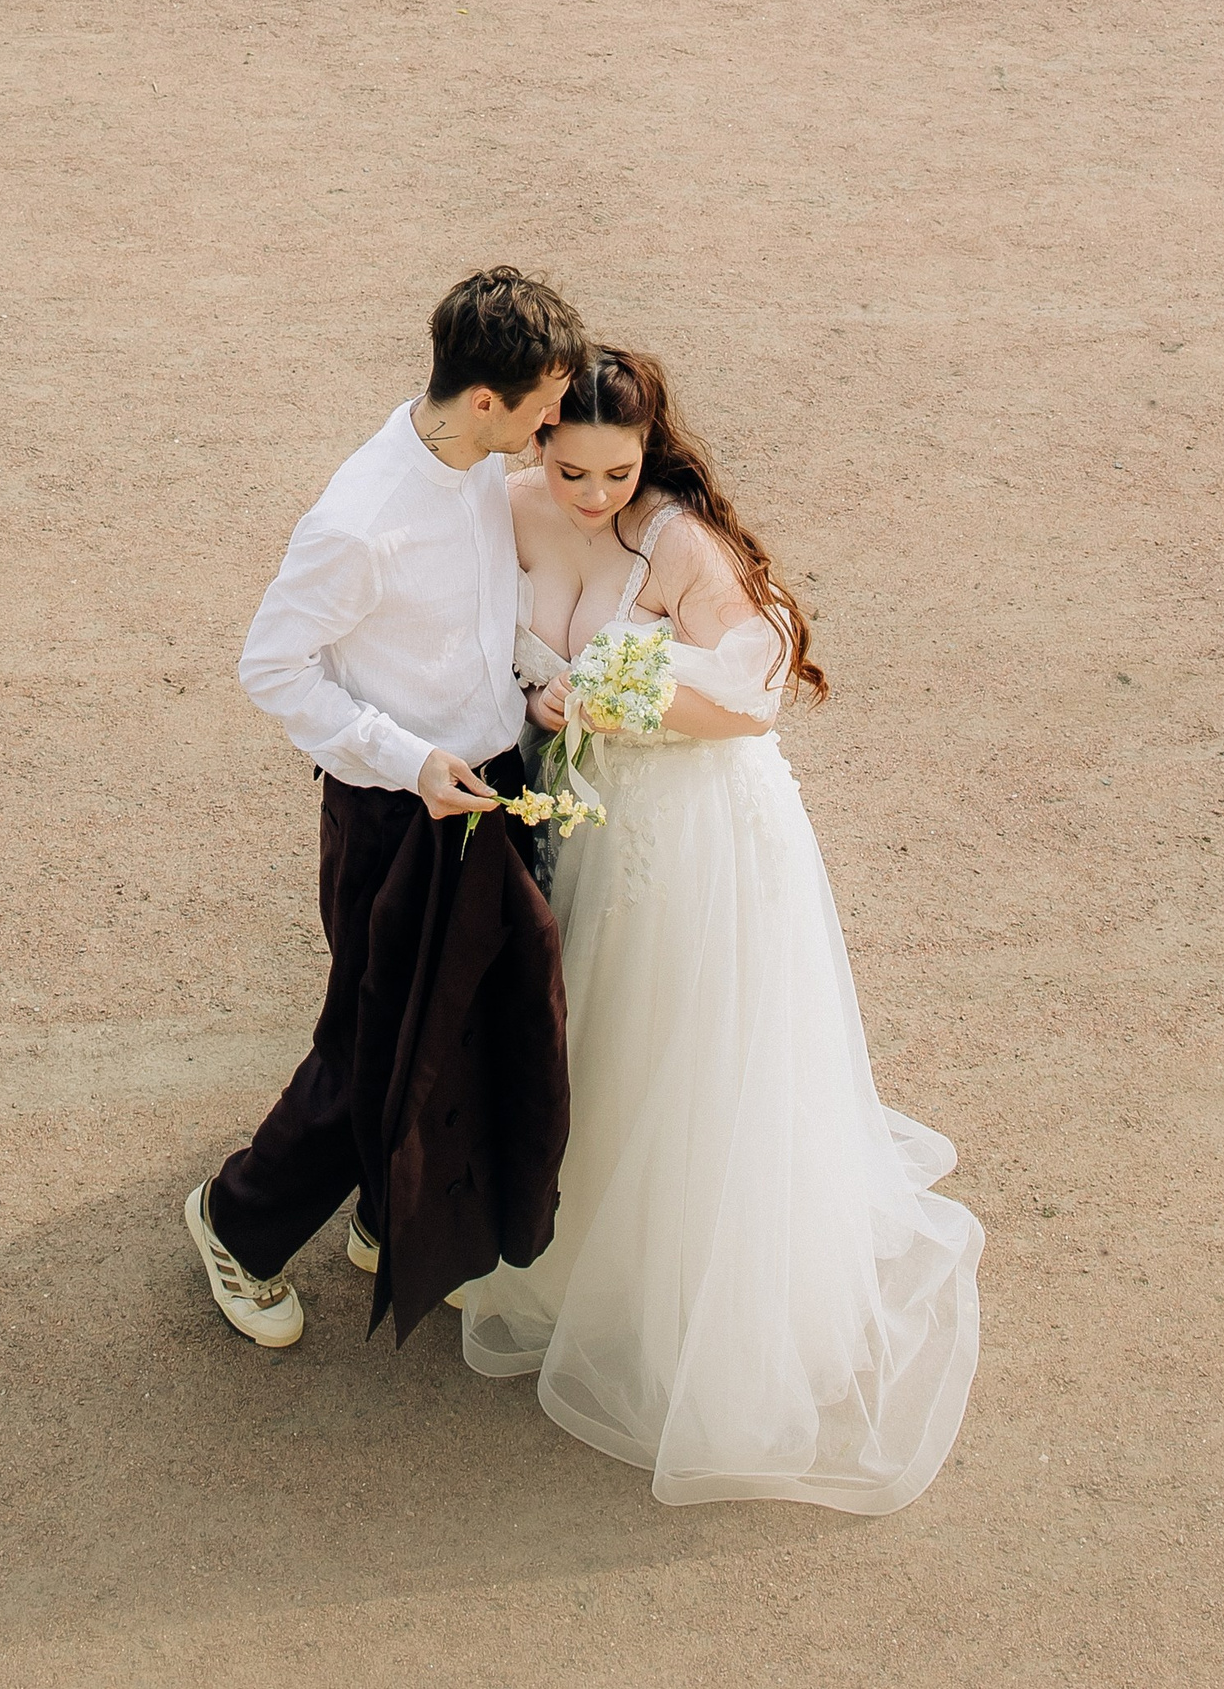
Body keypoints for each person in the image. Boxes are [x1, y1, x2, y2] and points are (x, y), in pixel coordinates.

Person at [458, 345, 982, 1513]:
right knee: (585, 1029)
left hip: (685, 827)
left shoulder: (681, 540)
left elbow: (751, 699)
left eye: (619, 470)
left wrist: (612, 700)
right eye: (574, 468)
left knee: (680, 1046)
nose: (596, 494)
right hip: (577, 816)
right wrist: (536, 700)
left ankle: (669, 1284)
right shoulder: (506, 505)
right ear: (540, 440)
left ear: (648, 451)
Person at [187, 267, 588, 1351]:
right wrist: (408, 759)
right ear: (487, 400)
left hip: (488, 788)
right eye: (545, 402)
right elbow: (272, 667)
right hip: (397, 818)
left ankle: (391, 1213)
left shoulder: (475, 462)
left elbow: (471, 622)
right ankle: (236, 1224)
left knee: (474, 1016)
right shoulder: (360, 522)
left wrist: (532, 680)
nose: (555, 421)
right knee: (373, 1041)